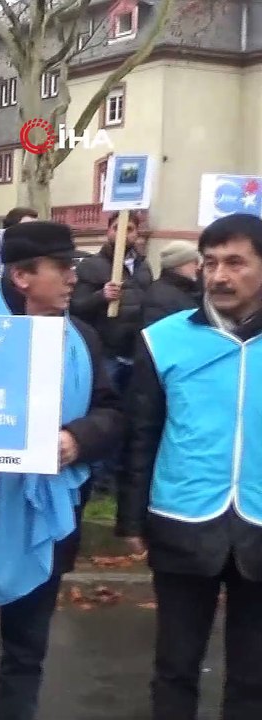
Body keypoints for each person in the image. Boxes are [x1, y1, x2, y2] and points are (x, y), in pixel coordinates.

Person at [0, 221, 124, 720]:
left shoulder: (81, 337)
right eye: (60, 269)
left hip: (48, 517)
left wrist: (77, 439)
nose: (72, 280)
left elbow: (111, 412)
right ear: (21, 277)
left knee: (26, 653)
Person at [120, 213, 262, 720]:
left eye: (235, 263)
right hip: (182, 520)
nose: (219, 276)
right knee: (176, 667)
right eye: (210, 263)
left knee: (253, 676)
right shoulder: (165, 339)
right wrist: (131, 519)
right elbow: (142, 432)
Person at [70, 211, 152, 387]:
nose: (123, 234)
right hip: (107, 351)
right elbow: (76, 306)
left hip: (135, 348)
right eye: (117, 228)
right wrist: (101, 296)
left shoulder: (143, 266)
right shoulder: (91, 266)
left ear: (137, 233)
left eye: (129, 229)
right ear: (108, 231)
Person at [140, 240, 200, 326]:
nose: (198, 267)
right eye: (195, 262)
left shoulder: (188, 289)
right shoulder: (159, 296)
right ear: (179, 264)